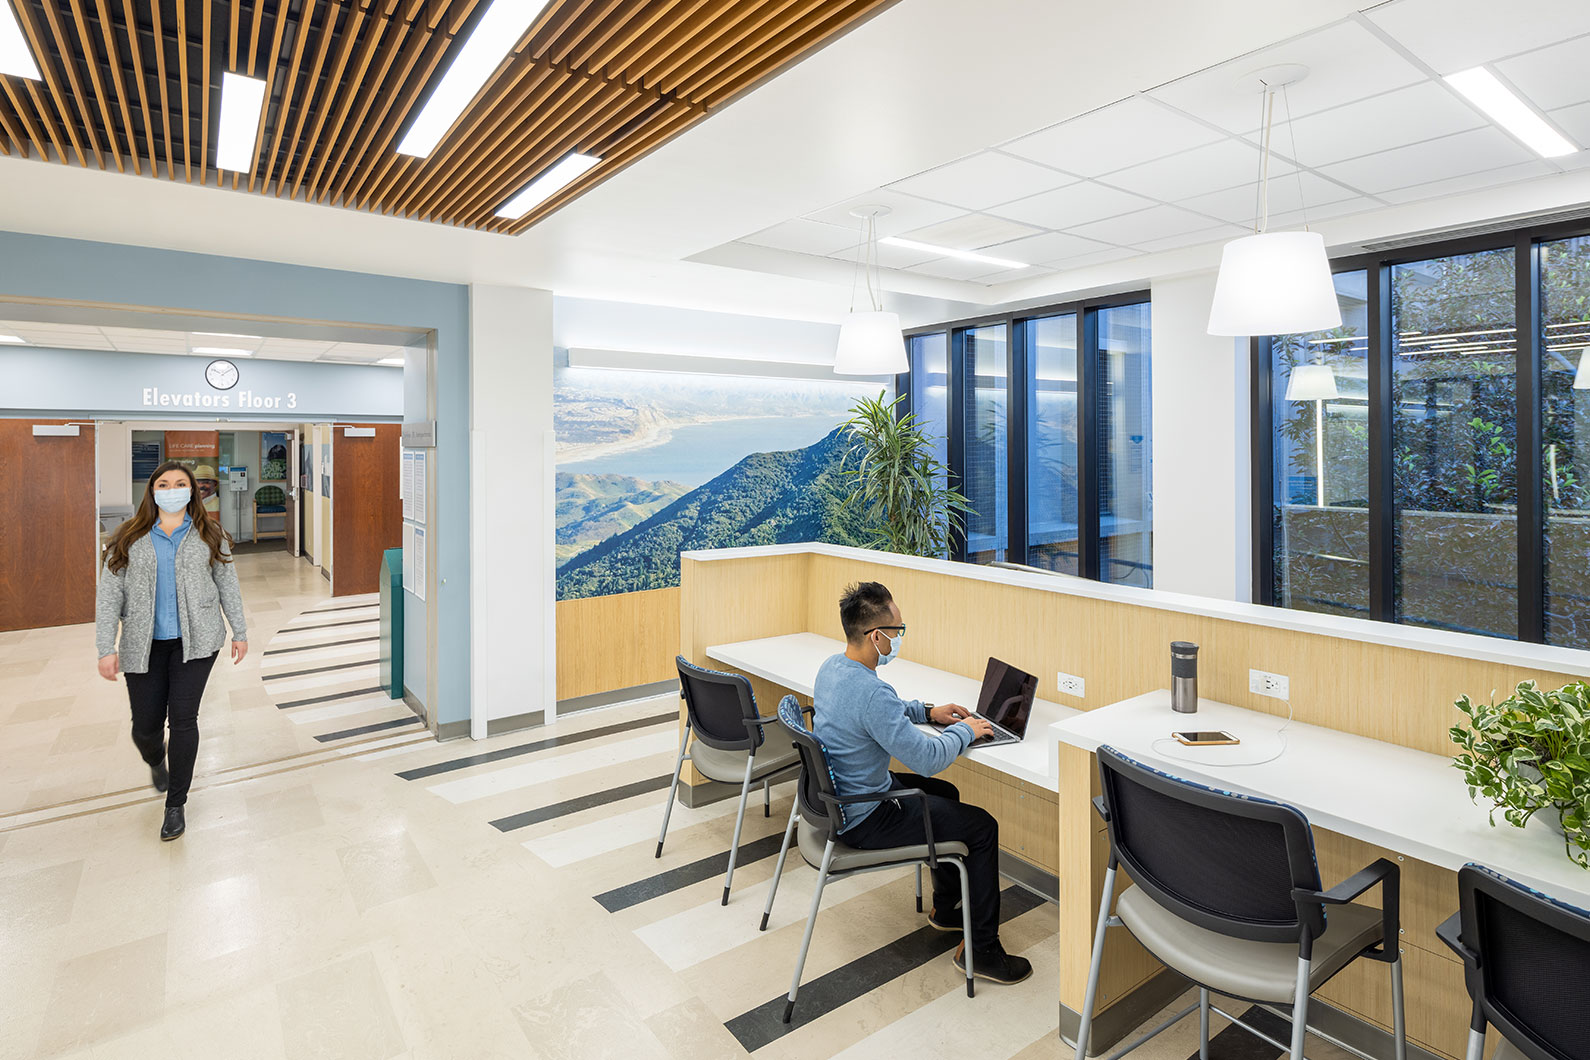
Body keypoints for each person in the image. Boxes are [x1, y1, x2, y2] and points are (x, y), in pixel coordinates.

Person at [812, 581, 1032, 985]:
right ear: (876, 635)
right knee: (983, 827)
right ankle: (982, 951)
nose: (899, 638)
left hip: (843, 797)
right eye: (897, 631)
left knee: (946, 796)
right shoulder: (871, 692)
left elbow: (884, 711)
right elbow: (928, 759)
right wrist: (966, 730)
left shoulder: (834, 668)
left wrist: (930, 712)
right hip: (866, 814)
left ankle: (947, 909)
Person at [96, 461, 248, 841]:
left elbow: (227, 584)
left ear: (193, 491)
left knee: (183, 719)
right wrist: (105, 647)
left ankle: (175, 804)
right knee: (145, 727)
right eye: (163, 484)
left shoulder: (210, 534)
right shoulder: (127, 537)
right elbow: (109, 596)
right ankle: (155, 758)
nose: (172, 489)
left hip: (196, 643)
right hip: (141, 645)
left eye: (181, 484)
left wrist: (239, 630)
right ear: (152, 491)